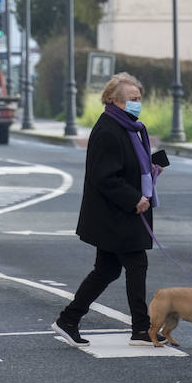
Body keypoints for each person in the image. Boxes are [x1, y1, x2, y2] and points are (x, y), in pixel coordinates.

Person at [52, 72, 168, 347]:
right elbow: (105, 177)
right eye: (132, 99)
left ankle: (69, 319)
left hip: (120, 213)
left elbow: (125, 166)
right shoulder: (108, 130)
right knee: (135, 265)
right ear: (113, 100)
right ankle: (140, 329)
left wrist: (150, 168)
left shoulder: (131, 128)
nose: (137, 104)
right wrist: (134, 199)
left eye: (138, 99)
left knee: (106, 270)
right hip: (115, 214)